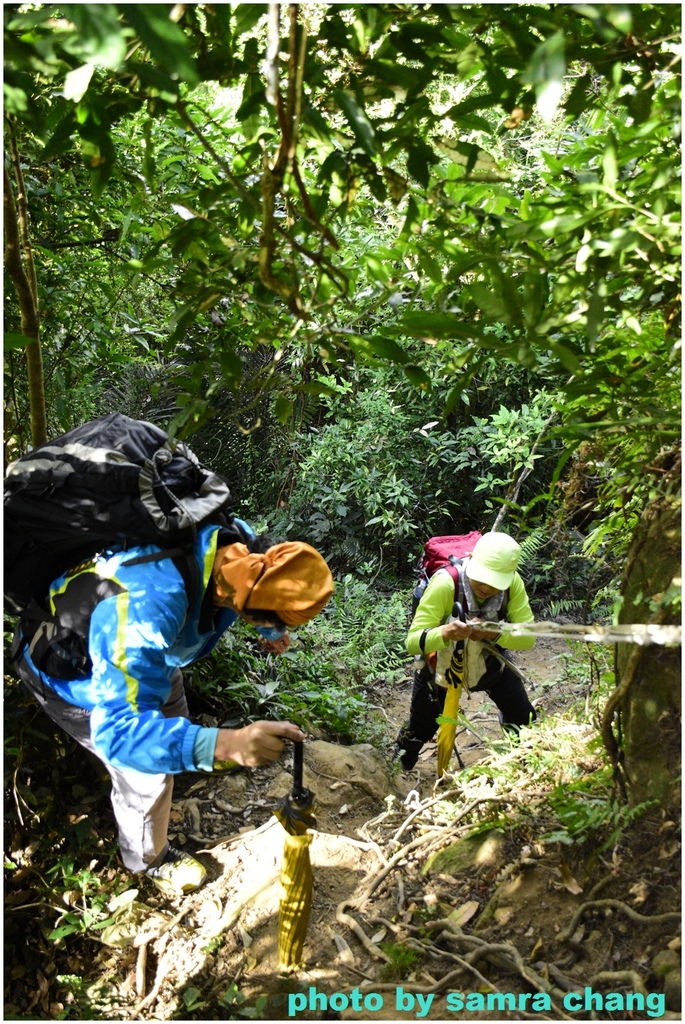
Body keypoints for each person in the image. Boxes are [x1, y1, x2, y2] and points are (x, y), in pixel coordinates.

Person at [12, 519, 334, 896]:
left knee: (171, 725)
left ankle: (160, 795)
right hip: (70, 672)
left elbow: (258, 591)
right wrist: (225, 745)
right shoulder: (148, 606)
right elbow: (119, 734)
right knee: (144, 774)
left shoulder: (235, 546)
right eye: (264, 620)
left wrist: (272, 630)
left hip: (145, 655)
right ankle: (148, 859)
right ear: (249, 606)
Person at [394, 531, 537, 770]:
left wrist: (494, 633)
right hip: (440, 669)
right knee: (421, 727)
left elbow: (529, 638)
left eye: (495, 582)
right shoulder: (445, 583)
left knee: (522, 717)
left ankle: (522, 765)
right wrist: (445, 633)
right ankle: (398, 770)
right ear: (472, 559)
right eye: (482, 578)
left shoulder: (513, 584)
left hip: (490, 663)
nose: (487, 587)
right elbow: (412, 642)